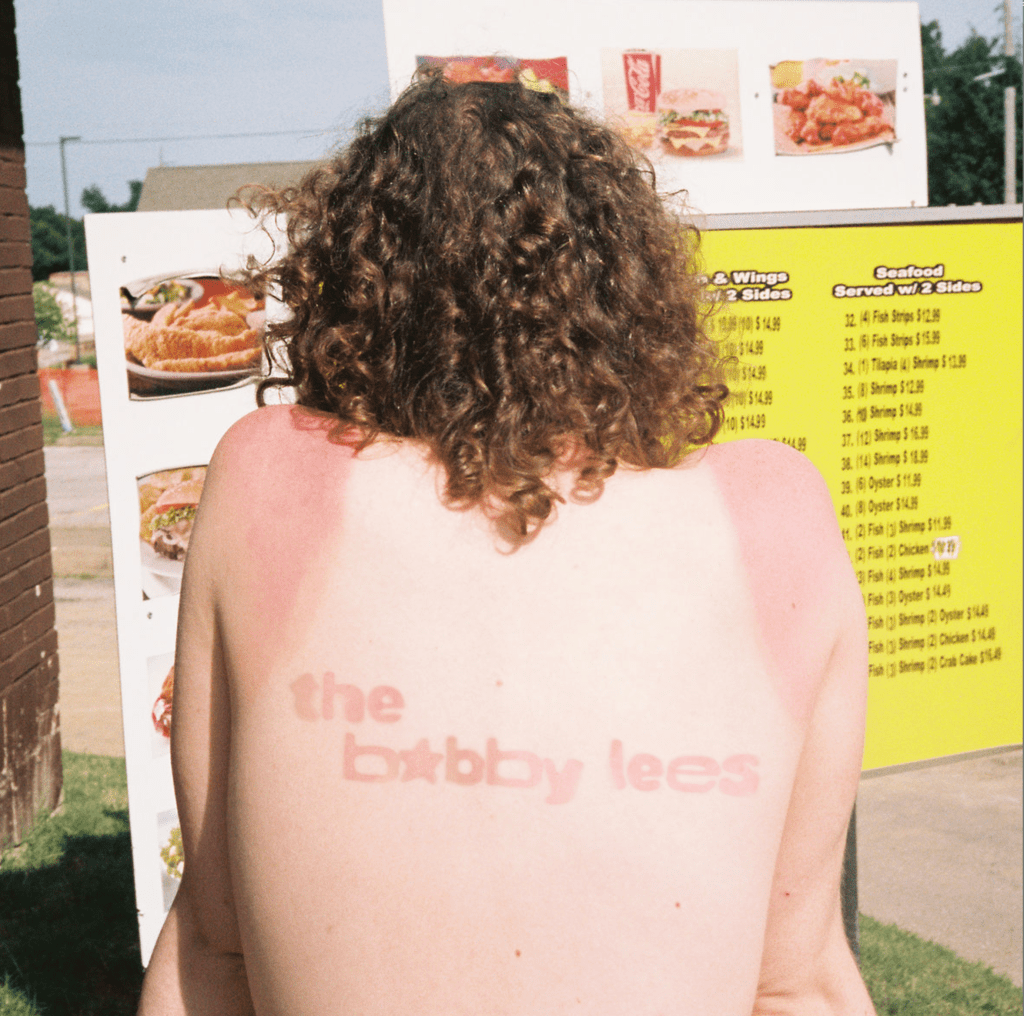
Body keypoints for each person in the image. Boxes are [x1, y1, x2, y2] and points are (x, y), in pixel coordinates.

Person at [137, 70, 875, 1016]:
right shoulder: (776, 516)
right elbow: (796, 977)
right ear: (630, 289)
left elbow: (212, 948)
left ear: (354, 292)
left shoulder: (271, 480)